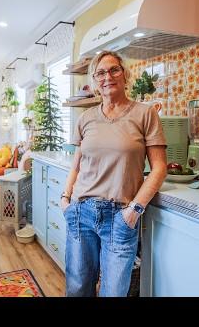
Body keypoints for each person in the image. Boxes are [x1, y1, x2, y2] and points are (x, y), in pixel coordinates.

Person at [61, 50, 167, 297]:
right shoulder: (86, 118)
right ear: (95, 81)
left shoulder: (145, 113)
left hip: (119, 217)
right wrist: (66, 199)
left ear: (124, 74)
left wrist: (134, 211)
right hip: (80, 212)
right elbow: (77, 164)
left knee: (114, 293)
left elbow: (159, 168)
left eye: (113, 70)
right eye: (100, 73)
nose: (107, 76)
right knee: (77, 289)